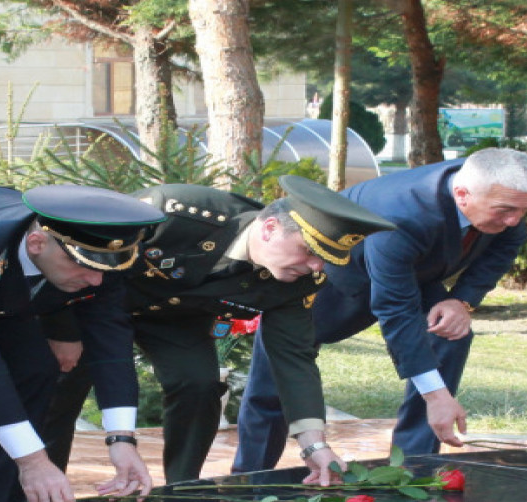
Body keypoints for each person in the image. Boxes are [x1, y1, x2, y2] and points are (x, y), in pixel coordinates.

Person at [42, 178, 395, 484]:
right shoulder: (174, 213)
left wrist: (314, 445)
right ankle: (41, 490)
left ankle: (181, 488)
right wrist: (64, 331)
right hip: (92, 308)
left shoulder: (296, 279)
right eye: (308, 251)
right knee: (61, 390)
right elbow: (83, 257)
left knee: (199, 384)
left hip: (174, 320)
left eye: (325, 258)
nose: (316, 266)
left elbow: (294, 358)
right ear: (270, 228)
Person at [235, 148, 527, 471]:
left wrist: (461, 300)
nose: (514, 220)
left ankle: (411, 469)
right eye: (506, 211)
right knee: (277, 373)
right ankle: (250, 479)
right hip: (335, 277)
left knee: (450, 332)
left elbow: (508, 242)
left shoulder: (498, 191)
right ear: (462, 195)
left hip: (413, 271)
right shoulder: (402, 213)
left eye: (524, 210)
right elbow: (395, 308)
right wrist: (436, 396)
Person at [0, 184, 166, 502]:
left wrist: (122, 439)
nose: (95, 281)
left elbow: (111, 342)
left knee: (35, 369)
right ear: (37, 244)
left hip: (8, 296)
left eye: (102, 270)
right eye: (84, 267)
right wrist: (33, 461)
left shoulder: (93, 258)